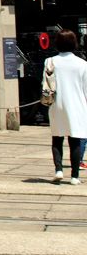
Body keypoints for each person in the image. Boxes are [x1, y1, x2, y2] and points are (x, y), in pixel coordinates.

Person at [47, 29, 87, 184]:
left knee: (57, 137)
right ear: (74, 43)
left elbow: (46, 85)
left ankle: (58, 170)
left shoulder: (50, 61)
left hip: (57, 104)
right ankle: (75, 176)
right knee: (75, 140)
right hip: (77, 105)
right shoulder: (83, 64)